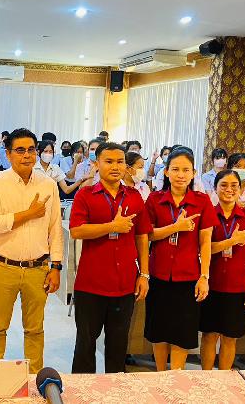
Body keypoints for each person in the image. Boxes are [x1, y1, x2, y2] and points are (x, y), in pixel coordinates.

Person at [0, 128, 63, 374]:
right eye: (20, 150)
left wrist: (56, 266)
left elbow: (55, 229)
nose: (26, 155)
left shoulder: (48, 185)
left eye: (31, 150)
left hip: (37, 268)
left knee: (35, 329)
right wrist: (29, 214)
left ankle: (34, 377)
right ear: (8, 154)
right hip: (3, 266)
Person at [69, 142, 152, 373]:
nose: (115, 167)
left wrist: (144, 274)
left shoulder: (134, 197)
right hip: (91, 284)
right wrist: (111, 226)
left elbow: (142, 236)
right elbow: (77, 230)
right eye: (109, 161)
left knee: (118, 345)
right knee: (85, 344)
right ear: (97, 164)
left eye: (120, 162)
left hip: (124, 283)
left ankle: (115, 389)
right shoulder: (85, 195)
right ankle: (82, 389)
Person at [144, 147, 218, 371]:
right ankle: (160, 374)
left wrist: (204, 276)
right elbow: (147, 235)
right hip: (158, 274)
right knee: (158, 330)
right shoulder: (155, 199)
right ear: (166, 172)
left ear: (194, 173)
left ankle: (175, 377)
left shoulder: (202, 201)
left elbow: (206, 242)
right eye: (175, 169)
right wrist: (175, 227)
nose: (181, 175)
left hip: (188, 276)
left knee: (182, 332)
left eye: (186, 170)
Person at [199, 170, 245, 370]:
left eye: (234, 185)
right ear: (215, 188)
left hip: (238, 286)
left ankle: (223, 380)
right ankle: (206, 378)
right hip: (211, 285)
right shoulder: (208, 214)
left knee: (230, 337)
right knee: (209, 336)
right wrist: (231, 241)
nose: (229, 189)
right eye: (224, 185)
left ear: (240, 189)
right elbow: (203, 249)